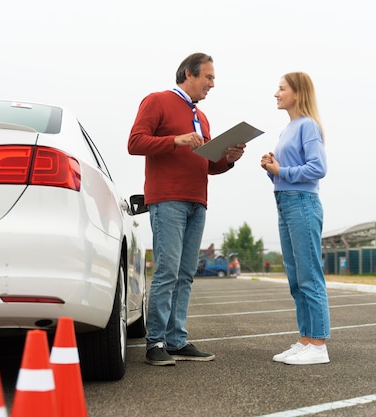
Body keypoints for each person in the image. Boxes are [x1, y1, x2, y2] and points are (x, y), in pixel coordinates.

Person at [128, 52, 246, 366]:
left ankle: (177, 340)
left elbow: (210, 164)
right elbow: (135, 142)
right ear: (188, 74)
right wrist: (175, 139)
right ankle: (155, 344)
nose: (212, 84)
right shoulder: (157, 101)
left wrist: (230, 157)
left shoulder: (202, 117)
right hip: (167, 199)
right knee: (167, 271)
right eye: (208, 77)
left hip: (198, 200)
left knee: (184, 274)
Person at [260, 72, 330, 365]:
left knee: (309, 276)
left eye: (281, 88)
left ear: (297, 93)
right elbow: (284, 171)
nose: (276, 93)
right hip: (285, 202)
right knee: (295, 278)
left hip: (302, 203)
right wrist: (270, 167)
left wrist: (281, 172)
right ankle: (305, 339)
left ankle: (318, 346)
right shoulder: (288, 128)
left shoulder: (308, 126)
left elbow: (318, 168)